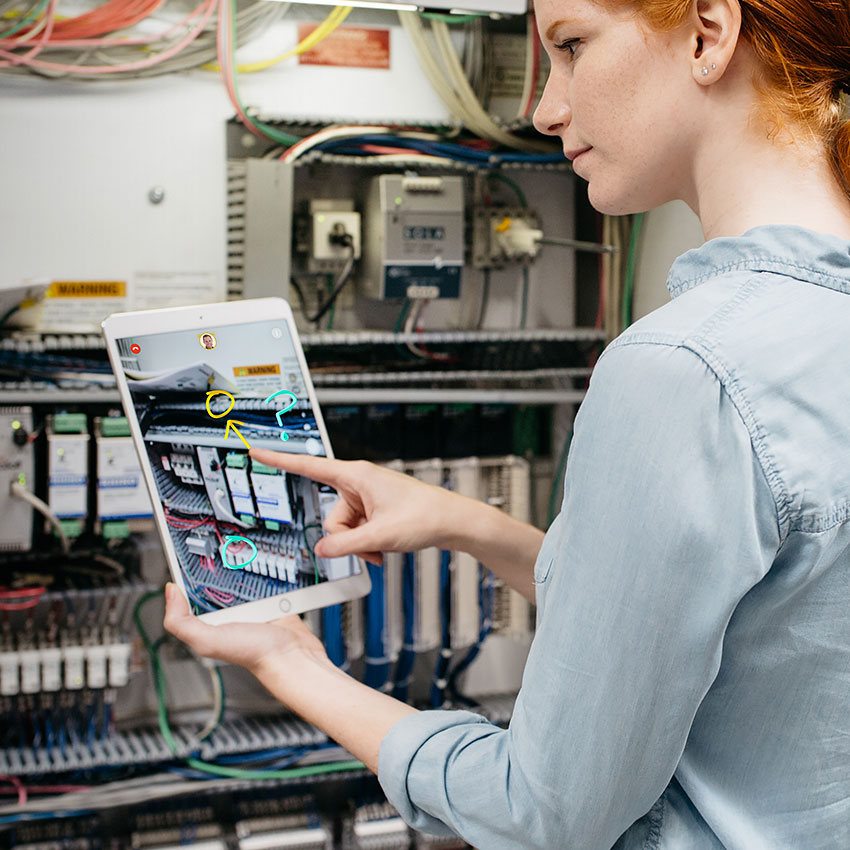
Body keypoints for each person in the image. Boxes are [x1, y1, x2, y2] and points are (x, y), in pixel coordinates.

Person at [165, 0, 850, 846]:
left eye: (569, 46)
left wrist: (292, 663)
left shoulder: (687, 371)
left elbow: (546, 815)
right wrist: (466, 523)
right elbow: (760, 639)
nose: (543, 108)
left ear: (708, 32)